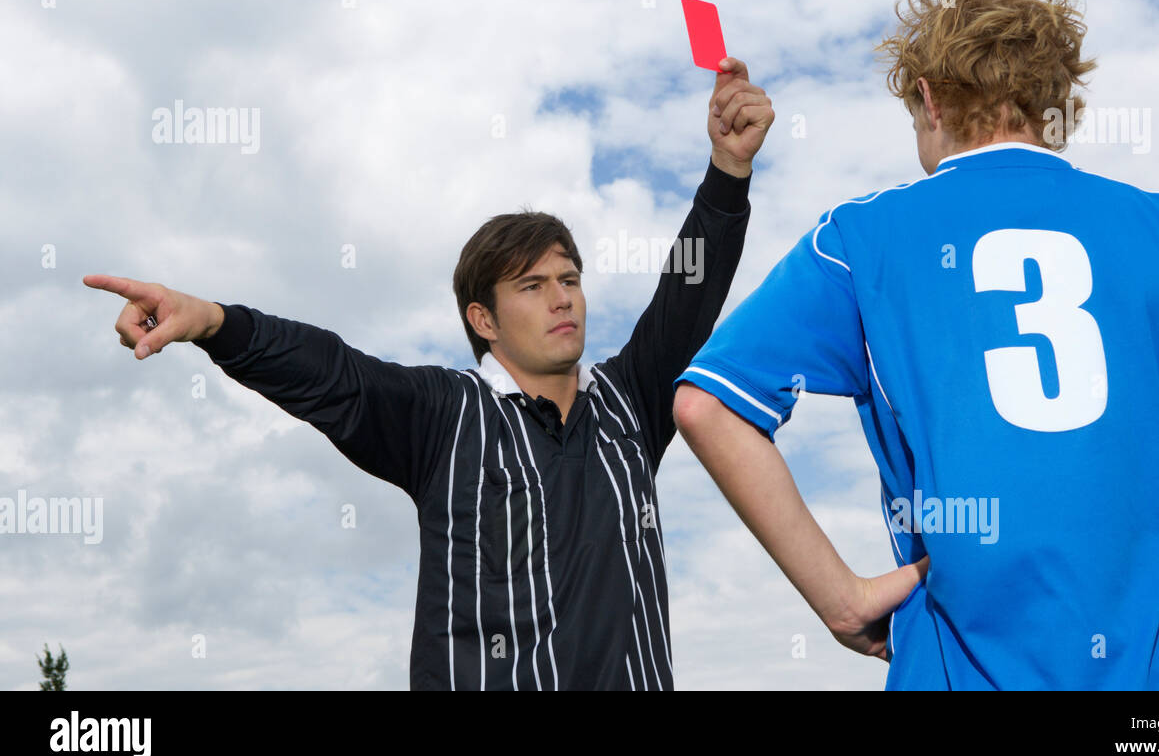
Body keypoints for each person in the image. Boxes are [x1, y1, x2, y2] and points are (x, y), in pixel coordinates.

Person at [672, 0, 1159, 689]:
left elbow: (706, 403)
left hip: (952, 660)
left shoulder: (861, 240)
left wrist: (840, 599)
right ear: (1056, 102)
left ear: (930, 100)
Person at [85, 57, 774, 690]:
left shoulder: (631, 406)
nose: (562, 297)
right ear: (484, 320)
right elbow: (334, 374)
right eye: (532, 286)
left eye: (570, 279)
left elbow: (690, 294)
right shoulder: (447, 416)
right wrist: (212, 321)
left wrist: (727, 169)